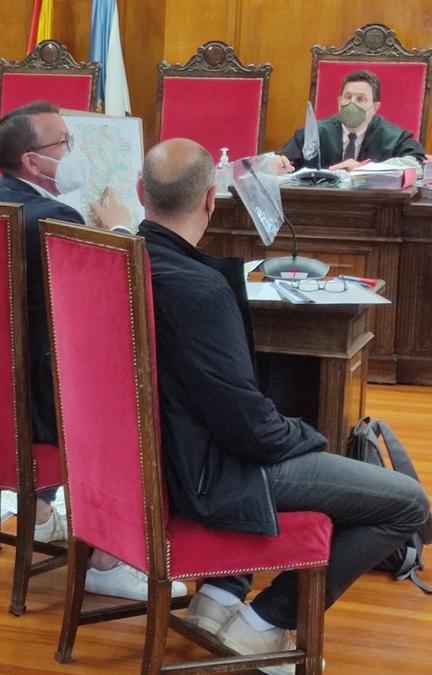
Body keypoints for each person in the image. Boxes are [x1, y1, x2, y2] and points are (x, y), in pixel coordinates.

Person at [138, 137, 430, 669]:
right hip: (212, 475)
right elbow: (251, 432)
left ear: (141, 193)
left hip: (160, 464)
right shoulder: (196, 290)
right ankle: (266, 621)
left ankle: (220, 594)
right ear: (211, 199)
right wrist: (312, 436)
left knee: (286, 393)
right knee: (407, 501)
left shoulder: (124, 261)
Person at [0, 101, 180, 602]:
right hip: (43, 395)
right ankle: (111, 561)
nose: (74, 151)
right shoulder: (52, 215)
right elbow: (106, 298)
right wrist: (115, 231)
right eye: (64, 143)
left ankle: (42, 513)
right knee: (141, 393)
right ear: (32, 162)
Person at [278, 69, 427, 171]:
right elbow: (285, 159)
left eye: (360, 99)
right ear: (339, 101)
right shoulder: (315, 132)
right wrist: (277, 163)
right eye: (348, 97)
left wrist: (366, 169)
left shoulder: (393, 137)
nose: (352, 104)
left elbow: (417, 163)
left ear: (375, 107)